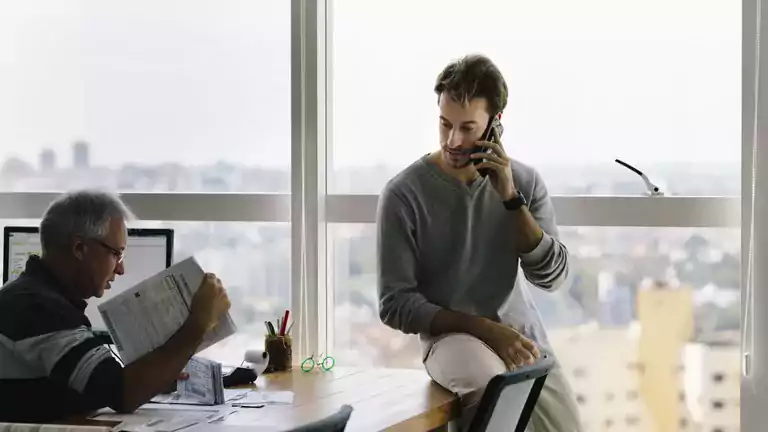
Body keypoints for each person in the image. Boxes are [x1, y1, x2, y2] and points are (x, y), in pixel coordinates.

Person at [376, 54, 582, 432]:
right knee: (493, 393)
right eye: (445, 124)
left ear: (494, 126)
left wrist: (509, 197)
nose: (453, 140)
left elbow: (552, 277)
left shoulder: (524, 181)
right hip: (451, 340)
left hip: (522, 338)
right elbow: (395, 304)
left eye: (467, 128)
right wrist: (487, 329)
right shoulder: (403, 194)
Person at [0, 189, 231, 423]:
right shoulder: (37, 308)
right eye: (116, 254)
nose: (120, 269)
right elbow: (122, 392)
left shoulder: (36, 297)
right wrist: (198, 323)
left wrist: (157, 376)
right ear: (79, 248)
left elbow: (93, 387)